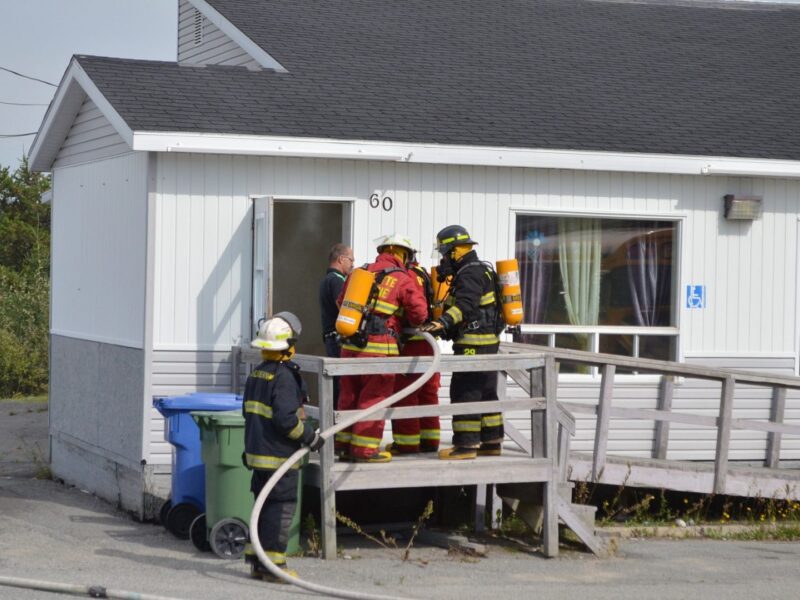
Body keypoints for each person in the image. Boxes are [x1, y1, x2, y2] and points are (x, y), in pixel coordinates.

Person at [242, 311, 323, 582]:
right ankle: (274, 566)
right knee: (281, 508)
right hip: (278, 457)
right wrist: (310, 437)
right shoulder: (284, 377)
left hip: (257, 455)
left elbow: (248, 413)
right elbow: (286, 421)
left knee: (263, 508)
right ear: (287, 345)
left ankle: (258, 562)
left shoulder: (257, 374)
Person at [334, 234, 428, 463]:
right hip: (379, 349)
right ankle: (365, 451)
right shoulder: (402, 277)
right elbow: (420, 314)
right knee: (374, 398)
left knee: (349, 396)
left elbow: (340, 302)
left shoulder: (361, 273)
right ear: (400, 253)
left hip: (349, 346)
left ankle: (344, 447)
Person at [420, 225, 504, 460]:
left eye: (445, 253)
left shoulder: (469, 273)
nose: (444, 259)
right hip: (488, 343)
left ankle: (466, 446)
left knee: (464, 391)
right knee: (487, 392)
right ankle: (492, 442)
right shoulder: (482, 270)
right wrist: (446, 329)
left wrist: (443, 323)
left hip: (473, 344)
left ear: (455, 251)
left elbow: (466, 306)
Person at [386, 254, 441, 454]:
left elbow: (413, 310)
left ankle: (407, 444)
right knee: (428, 394)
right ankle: (430, 441)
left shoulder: (404, 275)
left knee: (405, 394)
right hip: (430, 345)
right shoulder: (424, 274)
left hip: (410, 345)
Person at [318, 243, 354, 408]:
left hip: (330, 338)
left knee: (336, 385)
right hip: (338, 340)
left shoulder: (326, 280)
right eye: (351, 260)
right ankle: (337, 427)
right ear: (341, 259)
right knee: (341, 386)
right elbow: (344, 309)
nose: (353, 264)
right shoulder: (337, 281)